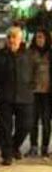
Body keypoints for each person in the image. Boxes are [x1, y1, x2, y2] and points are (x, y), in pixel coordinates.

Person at [0, 26, 38, 166]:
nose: (11, 40)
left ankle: (15, 146)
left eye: (14, 37)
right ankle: (7, 155)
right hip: (5, 97)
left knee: (26, 125)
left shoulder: (29, 55)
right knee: (4, 127)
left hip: (25, 96)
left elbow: (36, 70)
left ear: (20, 39)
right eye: (9, 37)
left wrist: (32, 85)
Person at [28, 29, 51, 158]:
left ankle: (45, 147)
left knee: (46, 122)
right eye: (37, 37)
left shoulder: (50, 54)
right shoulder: (31, 53)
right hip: (34, 92)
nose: (39, 40)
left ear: (46, 38)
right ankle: (33, 147)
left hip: (47, 94)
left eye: (42, 37)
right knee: (33, 121)